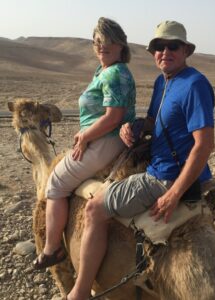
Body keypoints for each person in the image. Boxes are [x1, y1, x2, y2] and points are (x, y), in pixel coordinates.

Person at [67, 20, 215, 300]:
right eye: (159, 46)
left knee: (94, 209)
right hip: (160, 166)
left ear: (185, 50)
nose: (165, 51)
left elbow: (204, 145)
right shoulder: (164, 81)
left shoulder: (194, 84)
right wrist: (134, 127)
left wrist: (173, 193)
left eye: (173, 46)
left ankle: (81, 290)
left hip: (163, 177)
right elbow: (152, 122)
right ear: (152, 52)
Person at [33, 17, 136, 269]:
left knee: (55, 183)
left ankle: (52, 248)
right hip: (99, 137)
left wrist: (84, 136)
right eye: (98, 41)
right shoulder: (103, 70)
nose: (102, 46)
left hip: (107, 140)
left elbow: (114, 117)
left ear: (121, 44)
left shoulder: (114, 73)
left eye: (109, 41)